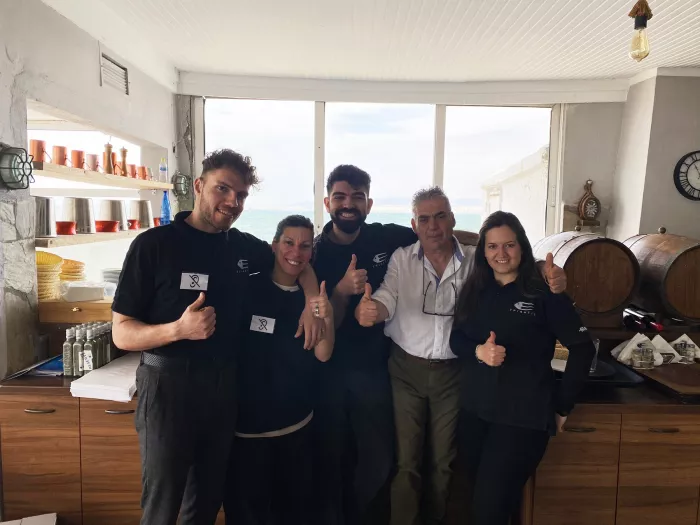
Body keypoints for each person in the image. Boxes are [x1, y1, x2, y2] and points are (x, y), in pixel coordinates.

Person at [112, 149, 323, 525]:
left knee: (206, 502)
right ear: (198, 186)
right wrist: (178, 330)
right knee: (163, 504)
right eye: (222, 189)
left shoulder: (242, 247)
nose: (232, 202)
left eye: (240, 195)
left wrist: (312, 301)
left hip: (224, 387)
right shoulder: (154, 245)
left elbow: (293, 260)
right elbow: (122, 332)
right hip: (168, 386)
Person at [354, 189, 567, 525]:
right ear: (414, 225)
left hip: (455, 373)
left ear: (452, 219)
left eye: (441, 216)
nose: (433, 225)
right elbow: (386, 297)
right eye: (424, 219)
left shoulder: (474, 261)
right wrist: (372, 310)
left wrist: (544, 268)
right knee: (406, 462)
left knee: (443, 462)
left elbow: (509, 261)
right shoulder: (401, 259)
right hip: (405, 371)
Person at [449, 211, 595, 525]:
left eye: (509, 245)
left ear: (522, 247)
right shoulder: (475, 289)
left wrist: (562, 406)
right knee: (484, 502)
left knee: (488, 511)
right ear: (483, 251)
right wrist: (479, 351)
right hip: (475, 414)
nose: (500, 253)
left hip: (522, 419)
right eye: (492, 246)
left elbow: (583, 348)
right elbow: (456, 339)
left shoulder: (544, 292)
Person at [224, 215, 334, 525]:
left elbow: (324, 353)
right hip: (247, 434)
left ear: (312, 252)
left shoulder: (314, 297)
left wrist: (323, 312)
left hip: (296, 429)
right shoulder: (247, 288)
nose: (296, 252)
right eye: (288, 243)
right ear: (274, 245)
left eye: (305, 246)